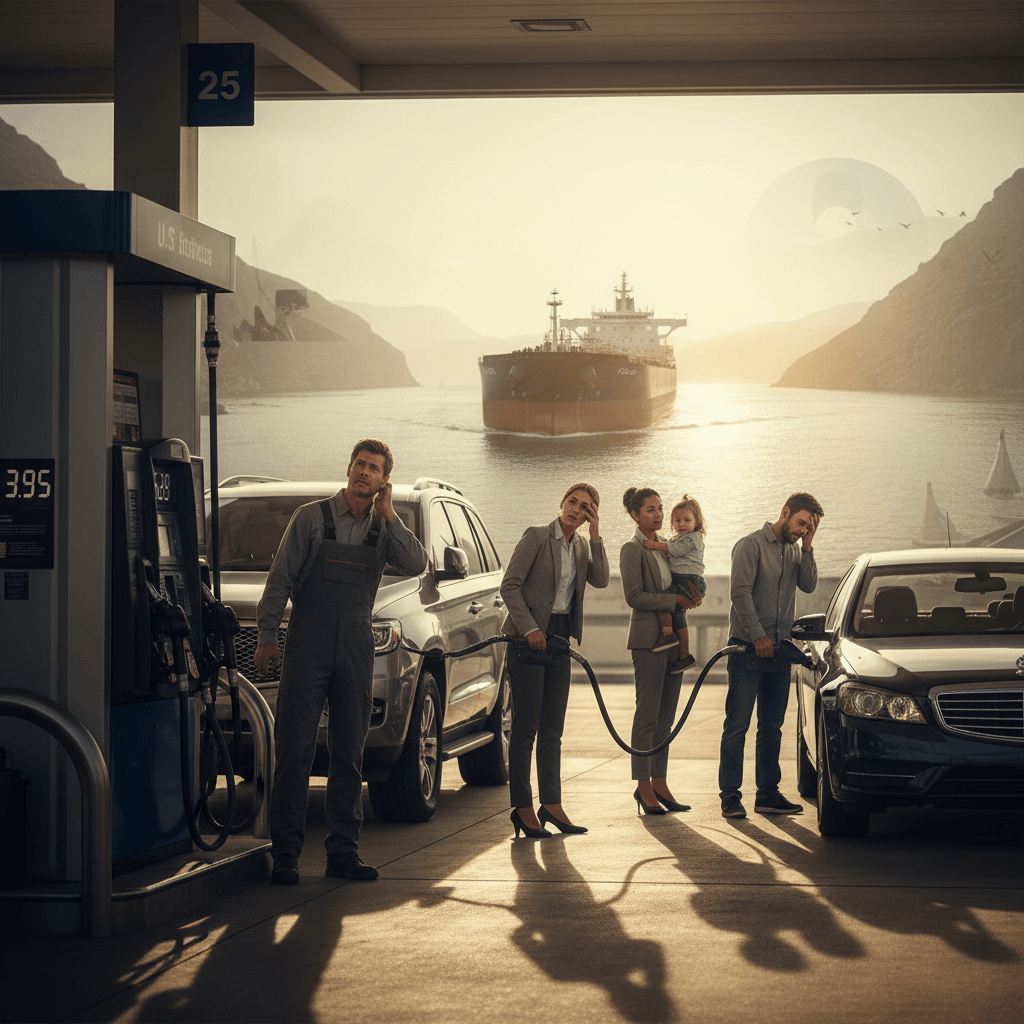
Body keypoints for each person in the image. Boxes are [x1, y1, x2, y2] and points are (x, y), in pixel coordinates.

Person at [254, 439, 428, 884]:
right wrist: (268, 636)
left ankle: (343, 853)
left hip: (354, 646)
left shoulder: (385, 528)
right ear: (349, 468)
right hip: (307, 643)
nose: (364, 472)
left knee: (350, 752)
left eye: (374, 469)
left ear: (383, 480)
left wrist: (391, 515)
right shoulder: (311, 518)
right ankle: (287, 854)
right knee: (294, 751)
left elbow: (417, 564)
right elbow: (280, 579)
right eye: (360, 464)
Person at [500, 483, 609, 838]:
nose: (576, 510)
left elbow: (602, 579)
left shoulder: (579, 545)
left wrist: (595, 535)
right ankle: (523, 808)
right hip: (528, 638)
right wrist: (530, 628)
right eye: (573, 503)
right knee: (526, 727)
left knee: (553, 730)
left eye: (586, 507)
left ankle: (552, 804)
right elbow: (510, 586)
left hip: (560, 636)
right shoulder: (535, 537)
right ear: (561, 502)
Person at [718, 492, 823, 819]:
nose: (803, 529)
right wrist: (758, 635)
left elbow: (808, 585)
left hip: (779, 650)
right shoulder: (750, 545)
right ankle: (730, 796)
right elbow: (739, 593)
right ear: (785, 512)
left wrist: (807, 547)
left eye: (809, 526)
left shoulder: (795, 551)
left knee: (772, 726)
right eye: (801, 522)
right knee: (737, 725)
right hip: (746, 649)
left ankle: (767, 794)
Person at [620, 487, 703, 816]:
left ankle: (660, 781)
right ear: (635, 515)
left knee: (665, 718)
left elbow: (679, 586)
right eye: (650, 510)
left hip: (671, 641)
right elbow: (634, 596)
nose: (656, 514)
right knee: (647, 715)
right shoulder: (632, 549)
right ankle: (642, 786)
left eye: (659, 509)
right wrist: (674, 601)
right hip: (647, 640)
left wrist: (690, 597)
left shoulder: (669, 549)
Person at [641, 494, 707, 674]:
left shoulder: (694, 538)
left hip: (688, 580)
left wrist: (653, 545)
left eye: (687, 520)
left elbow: (675, 551)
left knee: (664, 601)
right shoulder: (676, 538)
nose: (681, 524)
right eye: (677, 520)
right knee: (676, 612)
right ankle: (682, 653)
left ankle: (668, 635)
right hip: (682, 579)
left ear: (697, 521)